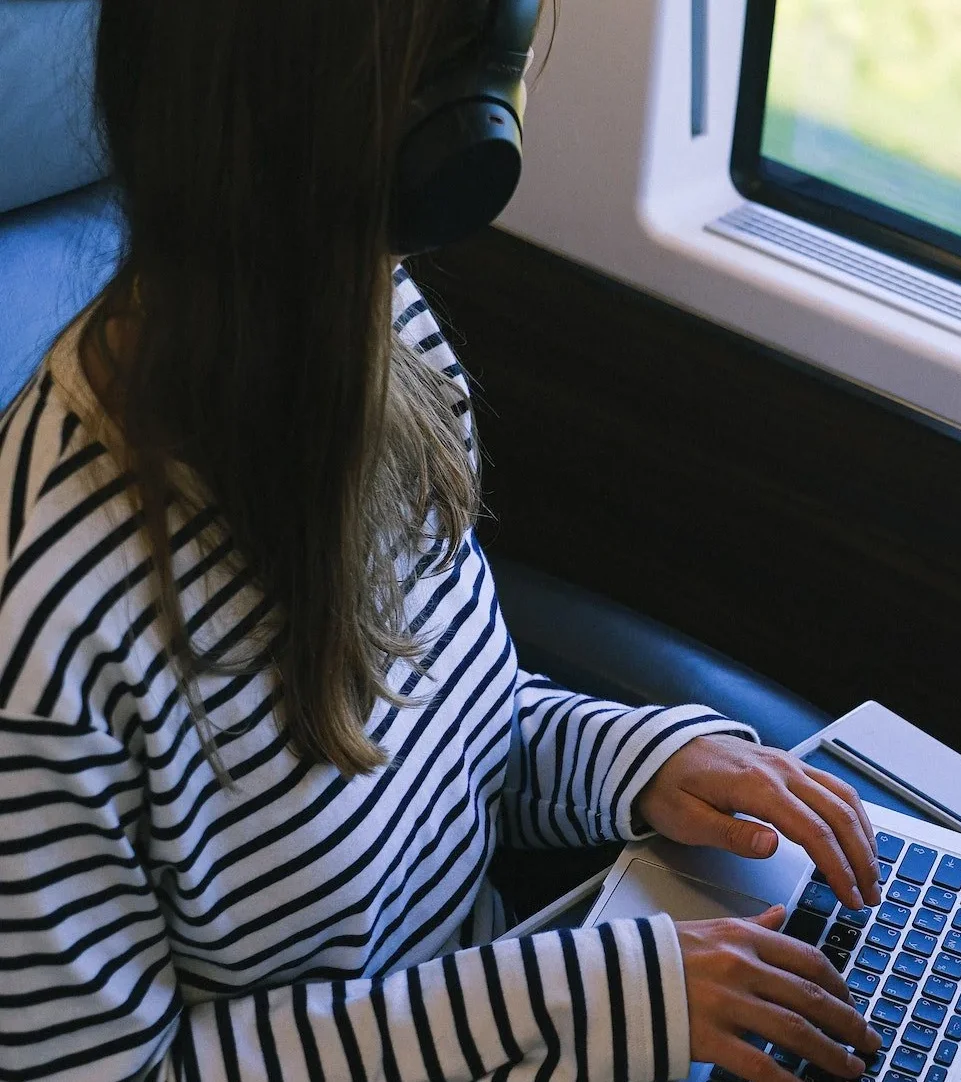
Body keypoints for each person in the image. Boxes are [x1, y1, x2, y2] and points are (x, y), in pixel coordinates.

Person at [0, 2, 886, 1079]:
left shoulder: (384, 336)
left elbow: (457, 741)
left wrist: (640, 760)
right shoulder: (50, 630)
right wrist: (589, 999)